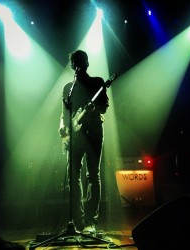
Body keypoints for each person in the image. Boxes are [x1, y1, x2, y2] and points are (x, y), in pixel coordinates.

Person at [59, 50, 109, 233]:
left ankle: (90, 221)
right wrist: (63, 126)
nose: (76, 65)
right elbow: (64, 113)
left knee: (92, 175)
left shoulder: (98, 82)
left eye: (79, 62)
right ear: (71, 65)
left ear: (87, 63)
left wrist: (93, 107)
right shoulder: (68, 88)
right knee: (73, 175)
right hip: (76, 135)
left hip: (94, 131)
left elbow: (104, 108)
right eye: (74, 62)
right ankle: (77, 220)